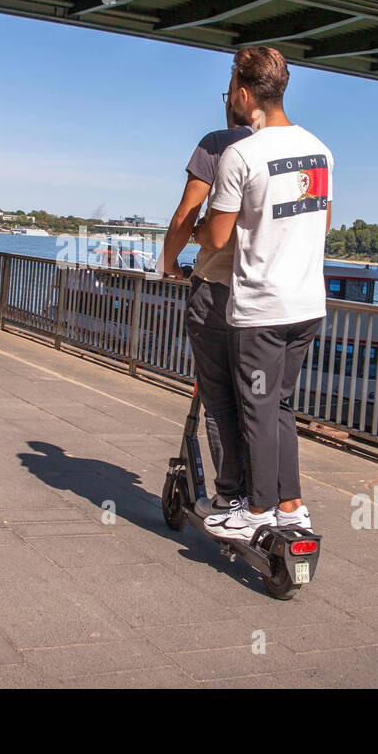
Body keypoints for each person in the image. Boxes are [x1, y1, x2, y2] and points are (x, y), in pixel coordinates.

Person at [196, 47, 332, 541]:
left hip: (260, 310)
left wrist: (196, 231)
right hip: (307, 307)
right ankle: (292, 509)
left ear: (245, 93)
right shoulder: (320, 150)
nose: (230, 95)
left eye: (232, 86)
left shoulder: (241, 154)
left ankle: (254, 513)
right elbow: (322, 223)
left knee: (255, 409)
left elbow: (216, 238)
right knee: (280, 407)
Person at [159, 107, 253, 516]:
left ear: (239, 96)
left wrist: (169, 263)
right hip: (267, 296)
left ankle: (232, 496)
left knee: (218, 398)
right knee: (262, 402)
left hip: (216, 288)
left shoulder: (218, 143)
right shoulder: (289, 150)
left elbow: (186, 214)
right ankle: (266, 497)